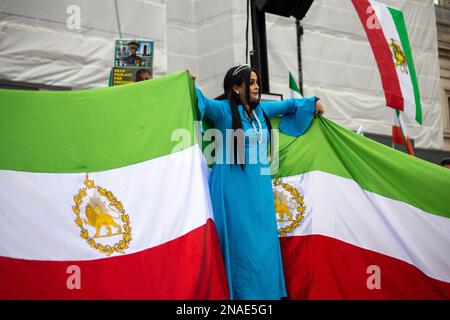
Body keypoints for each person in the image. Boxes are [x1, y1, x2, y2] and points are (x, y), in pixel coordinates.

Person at [191, 65, 325, 300]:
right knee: (241, 245)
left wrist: (315, 103)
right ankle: (241, 298)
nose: (256, 86)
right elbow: (199, 100)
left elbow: (293, 105)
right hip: (231, 188)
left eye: (256, 82)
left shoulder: (262, 110)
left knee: (262, 245)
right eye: (250, 82)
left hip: (260, 188)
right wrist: (189, 84)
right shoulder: (223, 111)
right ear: (235, 87)